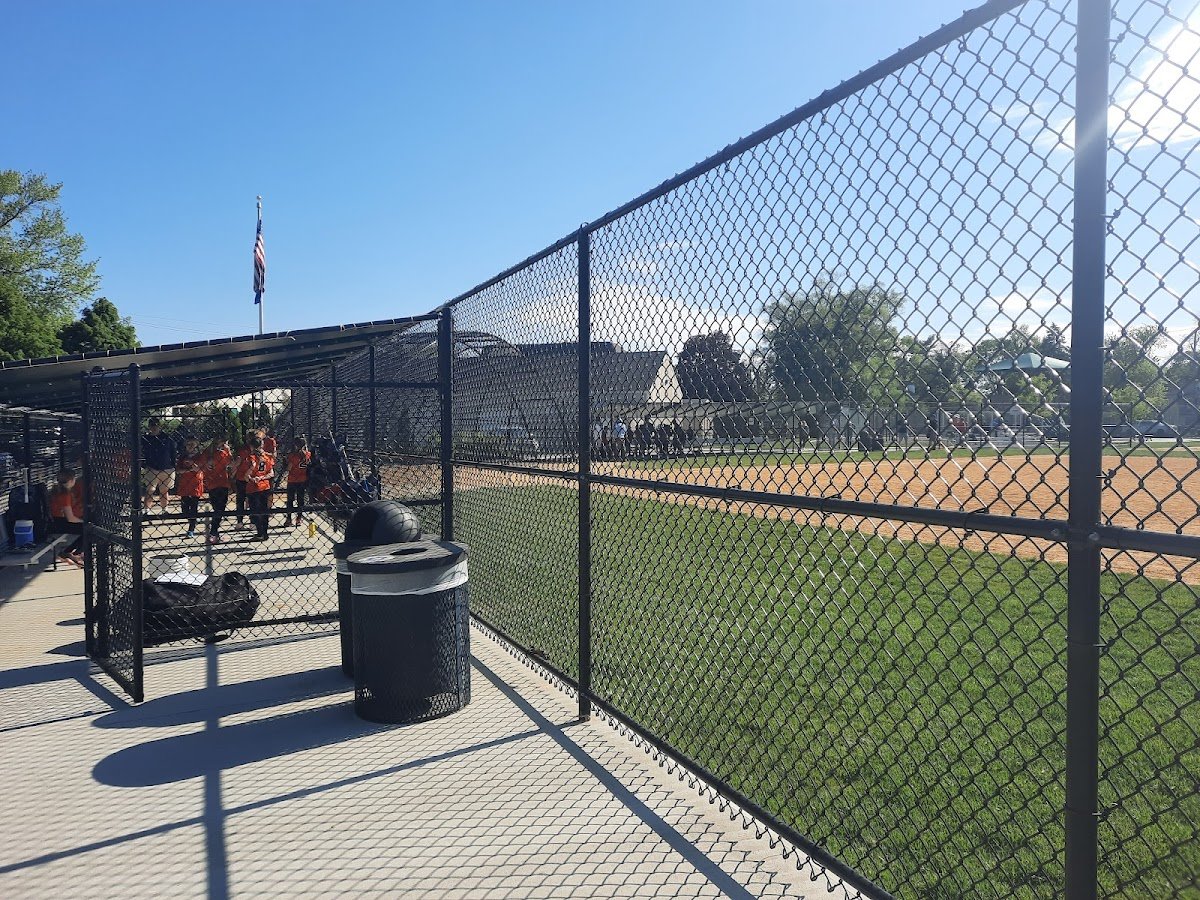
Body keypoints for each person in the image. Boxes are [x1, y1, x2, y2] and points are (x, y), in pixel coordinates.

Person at [48, 469, 84, 567]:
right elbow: (71, 518)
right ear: (71, 480)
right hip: (59, 524)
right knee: (86, 529)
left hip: (55, 522)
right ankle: (70, 552)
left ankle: (69, 552)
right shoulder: (65, 494)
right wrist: (83, 521)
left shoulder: (56, 490)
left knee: (83, 527)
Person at [244, 434, 275, 541]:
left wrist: (254, 478)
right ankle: (264, 533)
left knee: (254, 511)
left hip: (254, 488)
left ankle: (260, 532)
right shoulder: (267, 457)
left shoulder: (251, 458)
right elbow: (271, 473)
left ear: (252, 447)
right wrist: (262, 477)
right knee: (264, 510)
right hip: (265, 486)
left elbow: (246, 476)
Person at [204, 435, 234, 545]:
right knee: (219, 509)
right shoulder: (220, 453)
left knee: (218, 509)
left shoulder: (210, 452)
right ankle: (213, 532)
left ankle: (214, 533)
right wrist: (228, 451)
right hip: (220, 483)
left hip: (215, 483)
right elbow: (231, 463)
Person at [141, 417, 175, 513]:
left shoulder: (166, 438)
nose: (154, 427)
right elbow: (141, 452)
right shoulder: (145, 439)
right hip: (152, 467)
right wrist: (144, 465)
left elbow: (173, 452)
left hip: (167, 467)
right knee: (150, 490)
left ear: (159, 426)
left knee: (164, 490)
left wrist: (172, 464)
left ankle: (165, 509)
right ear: (149, 427)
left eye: (156, 425)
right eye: (152, 425)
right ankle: (146, 510)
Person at [175, 438, 205, 538]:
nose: (190, 446)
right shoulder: (182, 457)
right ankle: (193, 520)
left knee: (193, 507)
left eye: (192, 444)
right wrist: (189, 470)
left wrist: (194, 468)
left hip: (195, 484)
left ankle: (191, 529)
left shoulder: (199, 456)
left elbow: (200, 468)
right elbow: (178, 470)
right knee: (184, 509)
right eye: (188, 444)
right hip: (185, 484)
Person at [282, 436, 311, 527]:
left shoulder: (293, 456)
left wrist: (285, 463)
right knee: (300, 500)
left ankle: (289, 519)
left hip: (293, 480)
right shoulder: (308, 454)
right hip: (302, 479)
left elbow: (289, 468)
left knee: (290, 500)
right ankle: (299, 519)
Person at [233, 432, 256, 528]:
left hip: (248, 478)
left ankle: (243, 522)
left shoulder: (248, 450)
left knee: (243, 500)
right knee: (247, 500)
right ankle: (248, 522)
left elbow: (236, 464)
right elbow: (237, 463)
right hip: (244, 478)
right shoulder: (245, 450)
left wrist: (232, 474)